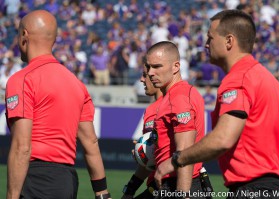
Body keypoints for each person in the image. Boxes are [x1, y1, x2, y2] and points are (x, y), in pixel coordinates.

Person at [154, 10, 279, 199]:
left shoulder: (238, 79)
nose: (206, 45)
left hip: (251, 191)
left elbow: (223, 139)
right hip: (277, 190)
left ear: (229, 41)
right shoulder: (271, 82)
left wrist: (177, 160)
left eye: (210, 38)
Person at [5, 10, 111, 199]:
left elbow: (22, 147)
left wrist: (12, 195)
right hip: (67, 181)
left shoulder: (21, 80)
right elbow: (91, 142)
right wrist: (102, 193)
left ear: (24, 36)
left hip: (35, 179)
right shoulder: (77, 84)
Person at [146, 41, 206, 198]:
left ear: (176, 67)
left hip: (179, 184)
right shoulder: (172, 96)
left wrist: (182, 194)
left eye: (157, 66)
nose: (150, 72)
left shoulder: (179, 97)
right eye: (148, 67)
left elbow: (185, 152)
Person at [122, 59, 163, 199]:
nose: (141, 80)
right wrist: (145, 155)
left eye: (144, 75)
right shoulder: (151, 110)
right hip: (155, 187)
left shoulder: (174, 104)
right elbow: (153, 162)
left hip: (171, 187)